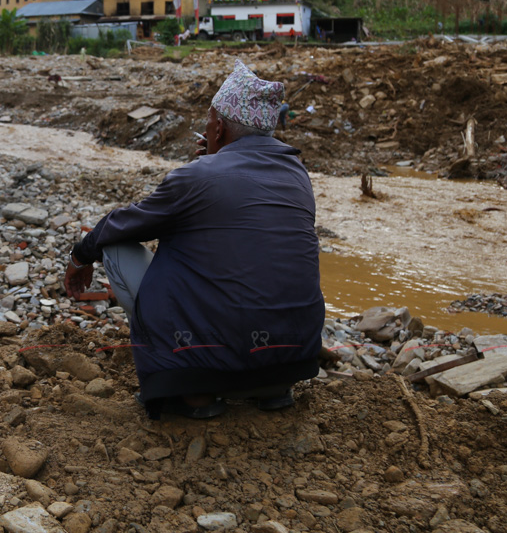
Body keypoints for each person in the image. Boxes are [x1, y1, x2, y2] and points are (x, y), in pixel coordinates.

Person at [67, 60, 323, 420]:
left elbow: (124, 224)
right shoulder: (298, 174)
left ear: (218, 127)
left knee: (114, 244)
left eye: (208, 121)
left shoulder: (197, 177)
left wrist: (81, 254)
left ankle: (191, 390)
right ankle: (270, 389)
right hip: (292, 358)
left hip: (207, 360)